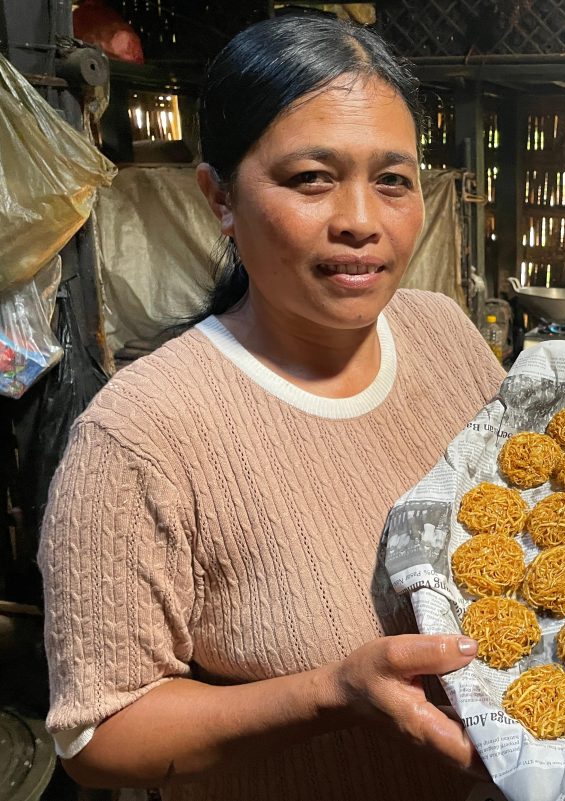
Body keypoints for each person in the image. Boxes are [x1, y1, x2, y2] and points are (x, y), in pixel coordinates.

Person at [38, 15, 505, 801]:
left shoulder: (446, 335)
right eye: (312, 177)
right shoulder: (142, 435)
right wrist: (330, 693)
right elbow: (98, 735)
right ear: (219, 197)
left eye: (393, 180)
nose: (362, 220)